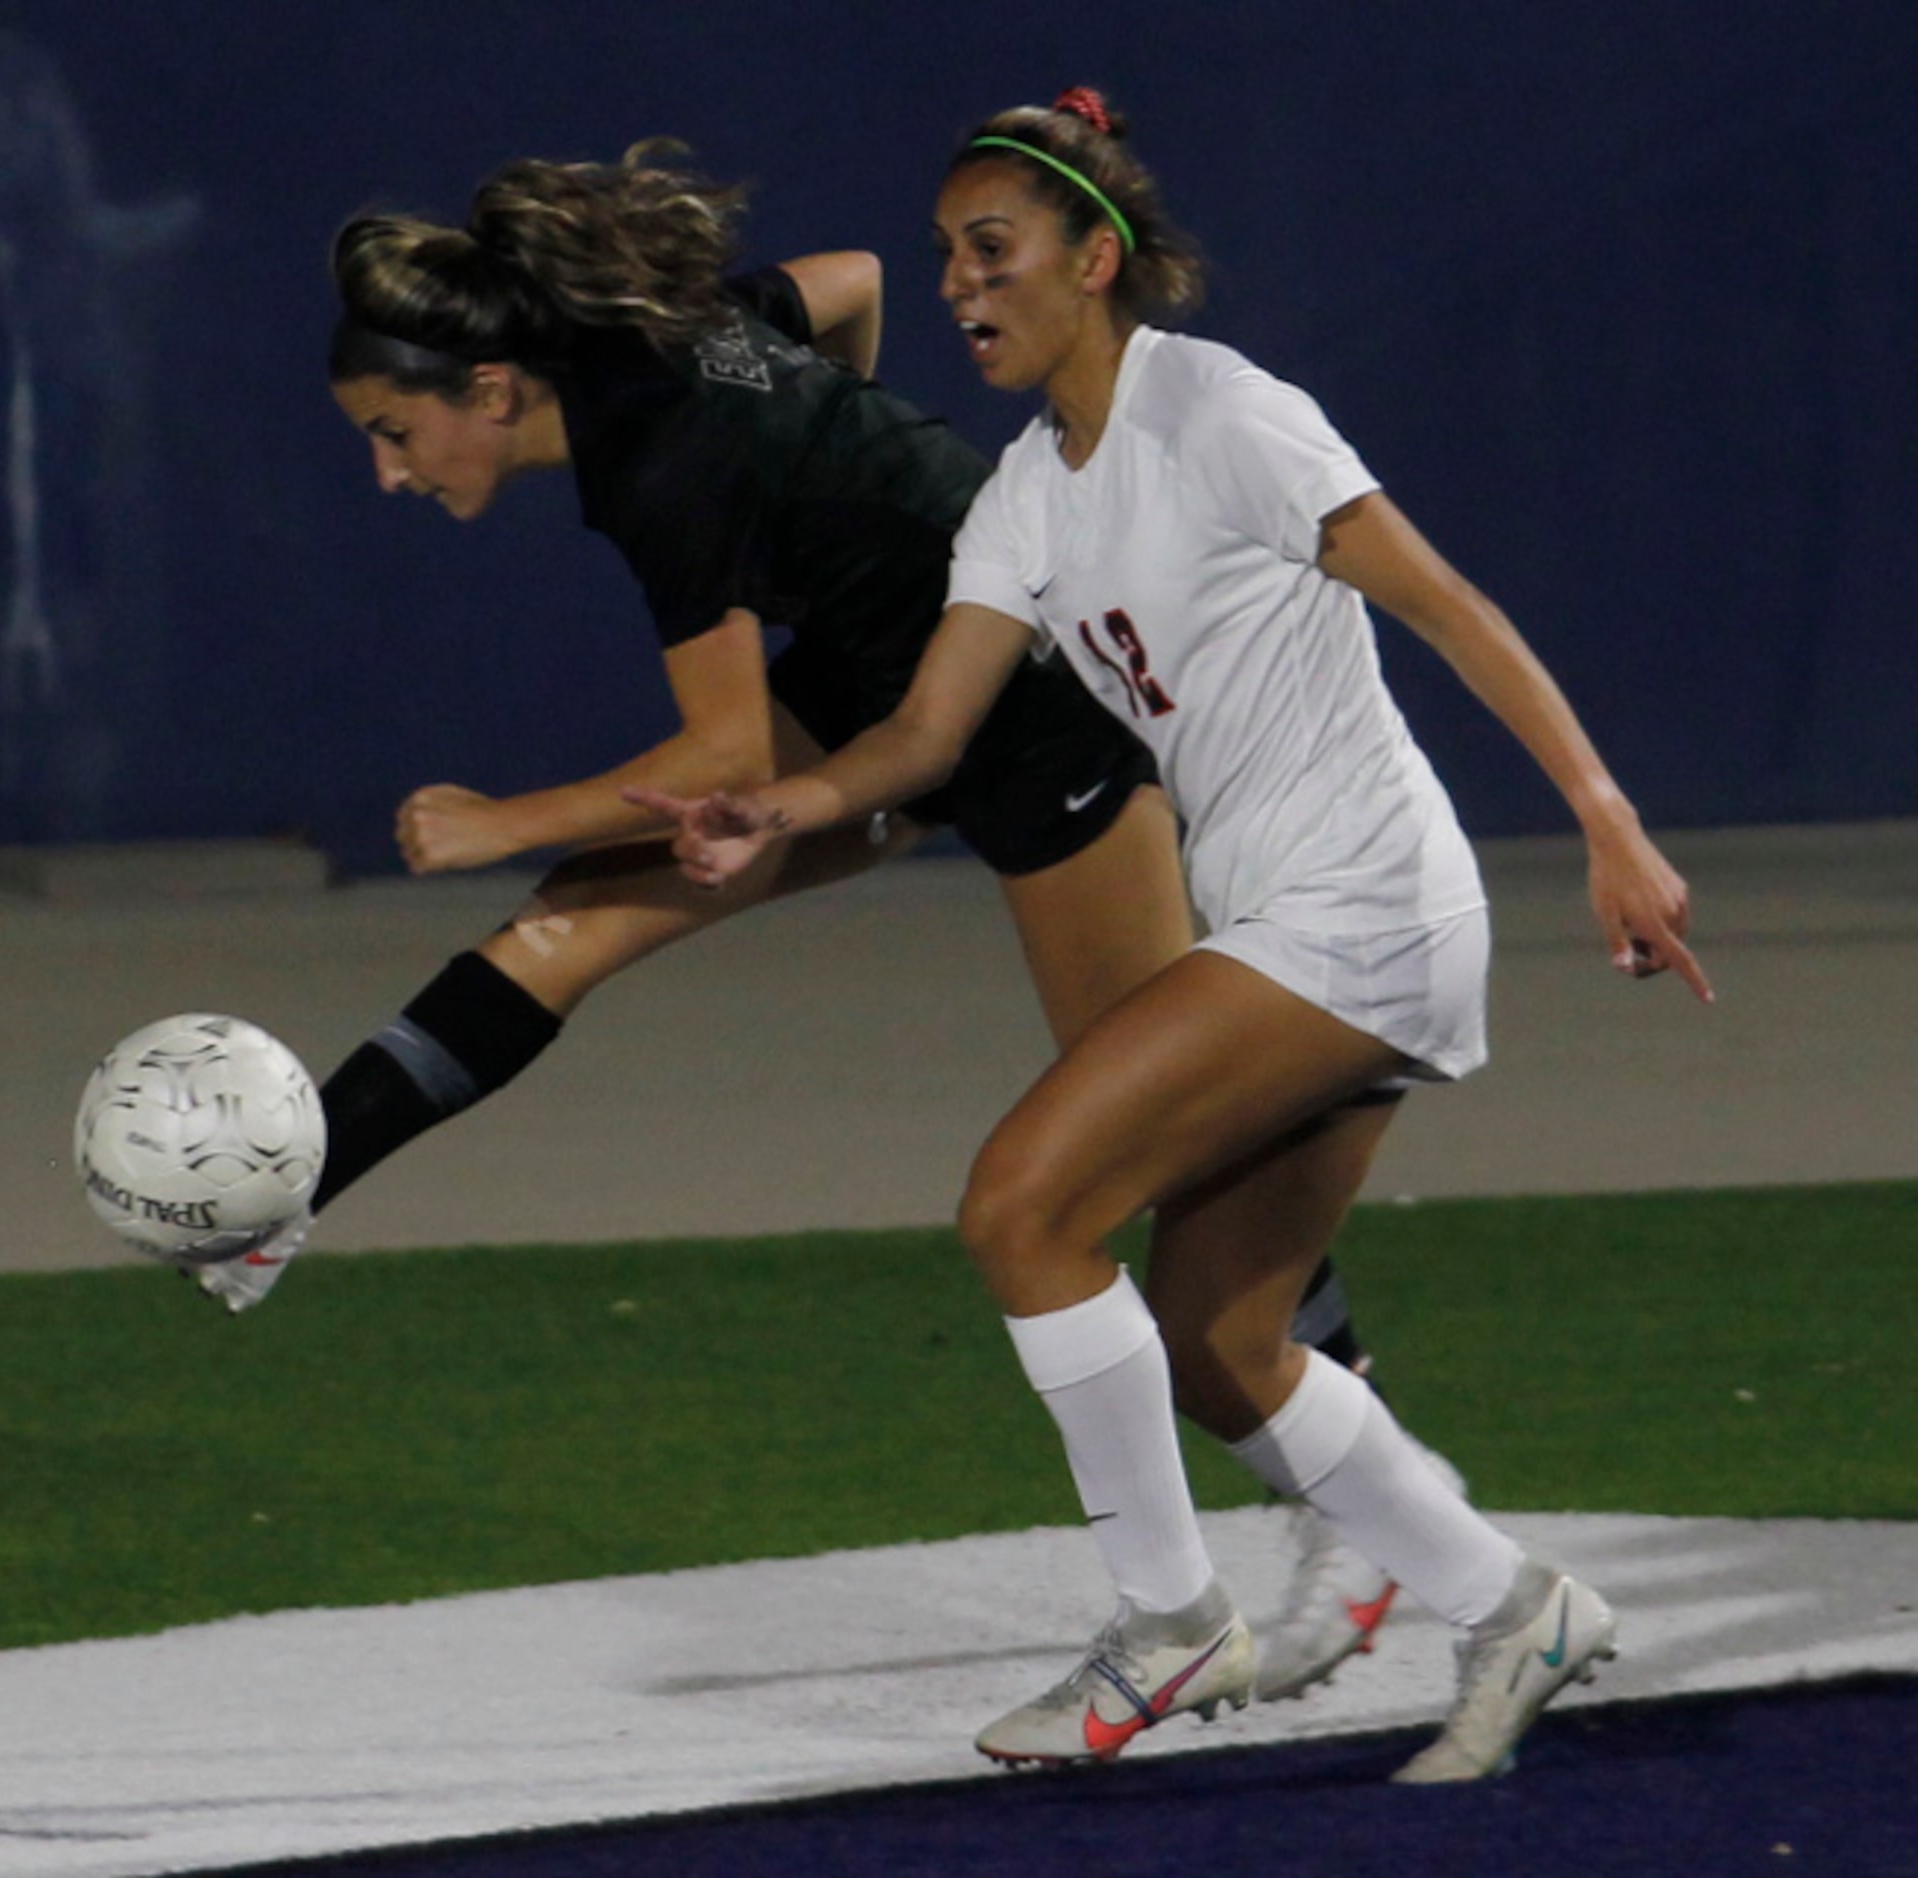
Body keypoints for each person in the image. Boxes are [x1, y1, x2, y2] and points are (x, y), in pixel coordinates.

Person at [184, 138, 1440, 1699]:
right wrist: (836, 493)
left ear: (491, 391)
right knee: (569, 930)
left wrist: (499, 817)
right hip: (891, 676)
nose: (387, 467)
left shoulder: (656, 462)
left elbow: (714, 757)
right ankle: (282, 1195)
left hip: (1041, 702)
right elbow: (846, 290)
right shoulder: (651, 347)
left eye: (393, 431)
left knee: (1176, 1139)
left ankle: (1369, 1499)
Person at [632, 86, 1713, 1783]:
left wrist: (1608, 817)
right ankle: (1517, 1608)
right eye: (944, 259)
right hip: (1297, 917)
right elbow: (923, 740)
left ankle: (1165, 1621)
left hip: (1362, 906)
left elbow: (1452, 606)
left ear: (1097, 256)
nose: (960, 285)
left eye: (993, 249)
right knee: (1222, 1343)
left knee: (1021, 1204)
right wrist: (786, 803)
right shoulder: (1021, 496)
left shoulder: (1220, 411)